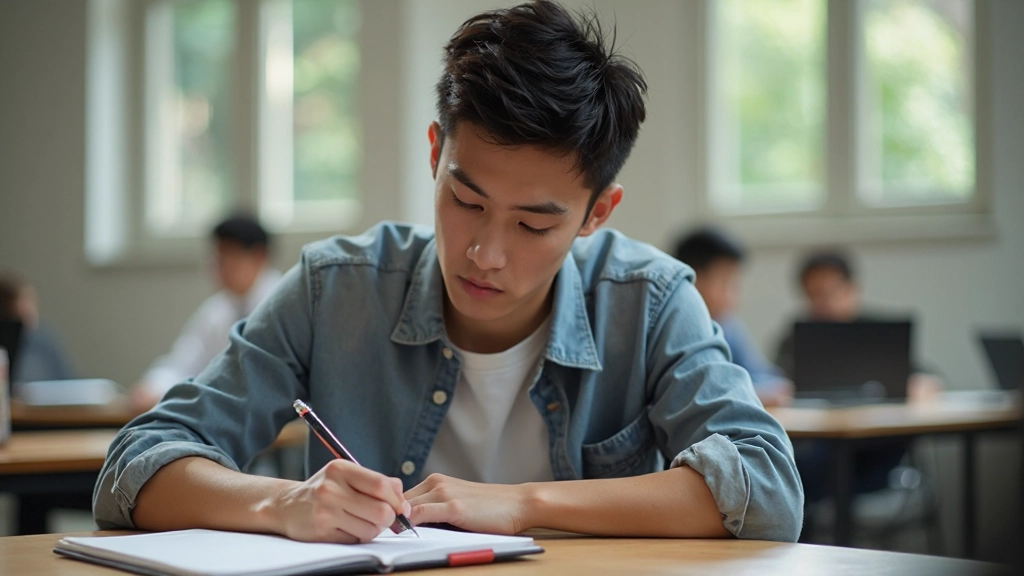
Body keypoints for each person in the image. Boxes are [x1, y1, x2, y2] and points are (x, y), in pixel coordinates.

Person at [95, 1, 802, 544]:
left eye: (533, 224)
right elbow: (137, 466)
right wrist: (282, 504)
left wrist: (521, 502)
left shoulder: (647, 300)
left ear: (597, 212)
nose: (486, 253)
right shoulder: (335, 289)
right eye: (466, 200)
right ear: (435, 152)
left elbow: (767, 488)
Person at [130, 215, 281, 410]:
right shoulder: (217, 311)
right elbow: (182, 363)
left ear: (259, 256)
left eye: (229, 259)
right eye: (218, 260)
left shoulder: (282, 307)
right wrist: (152, 388)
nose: (220, 269)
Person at [673, 227, 792, 407]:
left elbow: (761, 374)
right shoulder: (673, 329)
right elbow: (695, 393)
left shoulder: (727, 325)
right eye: (725, 282)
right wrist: (752, 393)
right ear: (693, 280)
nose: (734, 295)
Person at [0, 270, 75, 383]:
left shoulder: (44, 339)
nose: (30, 314)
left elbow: (69, 381)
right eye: (22, 311)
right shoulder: (7, 346)